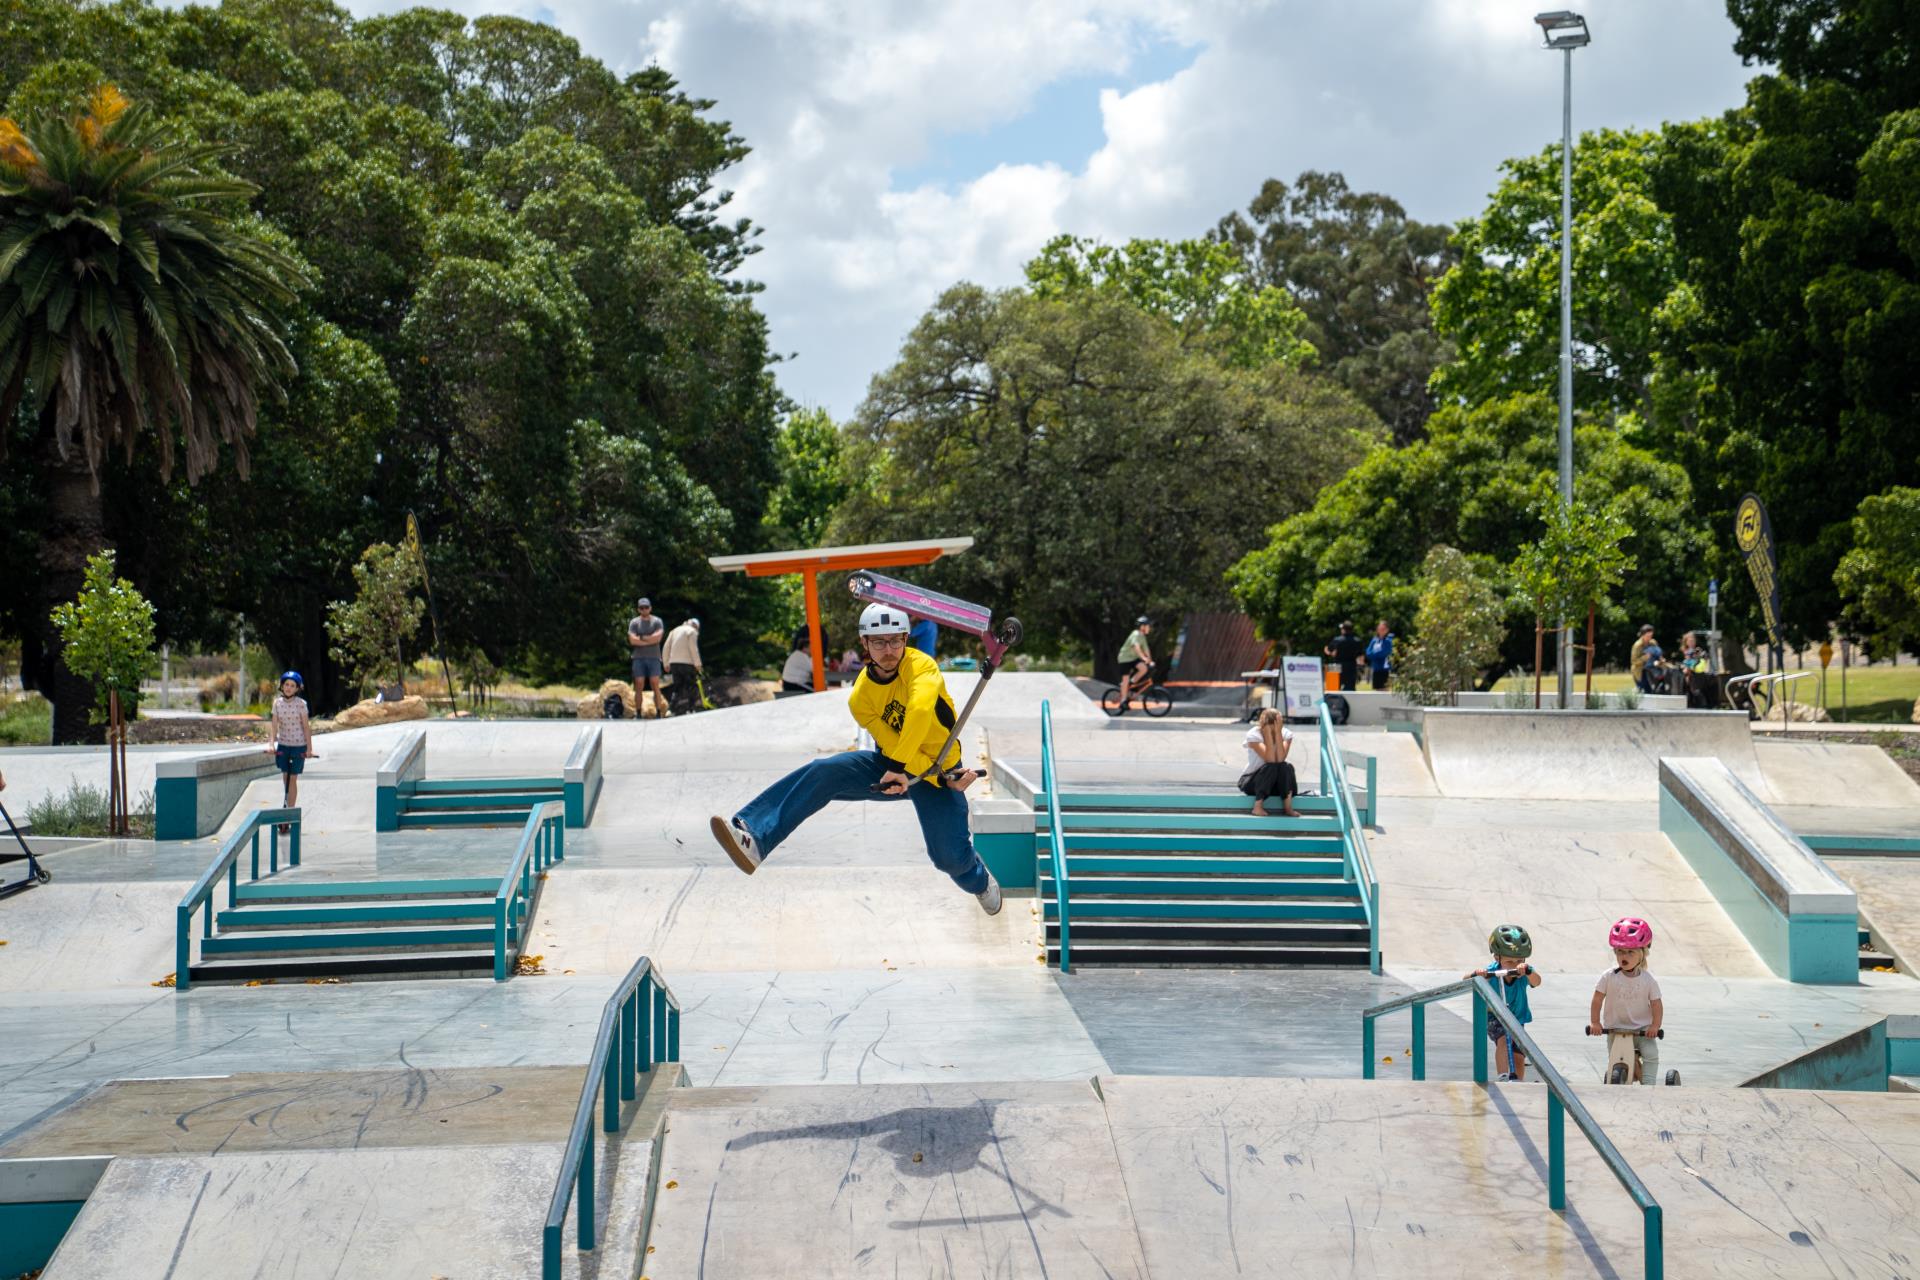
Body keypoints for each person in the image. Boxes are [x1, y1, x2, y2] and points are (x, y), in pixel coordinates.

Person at [709, 603, 1001, 915]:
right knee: (824, 772)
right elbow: (892, 743)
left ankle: (979, 880)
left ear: (906, 639)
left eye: (896, 641)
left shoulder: (922, 667)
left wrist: (939, 777)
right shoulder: (860, 697)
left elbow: (918, 712)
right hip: (893, 765)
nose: (889, 650)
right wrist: (900, 770)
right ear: (864, 644)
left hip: (941, 770)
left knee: (948, 858)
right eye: (879, 642)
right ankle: (754, 836)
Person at [1589, 917, 1663, 1085]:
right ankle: (1620, 1075)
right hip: (1615, 1029)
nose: (1625, 956)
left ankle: (1649, 1082)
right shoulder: (1608, 976)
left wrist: (1655, 1026)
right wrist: (1595, 1022)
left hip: (1642, 1030)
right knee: (1615, 1057)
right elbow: (1597, 999)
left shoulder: (1648, 979)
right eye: (1620, 951)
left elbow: (1656, 1004)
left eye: (1631, 952)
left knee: (1650, 1053)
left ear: (1642, 954)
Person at [1466, 924, 1541, 1081]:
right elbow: (1466, 981)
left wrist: (1528, 971)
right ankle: (1503, 1075)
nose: (1515, 965)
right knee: (1503, 1038)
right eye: (1509, 961)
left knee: (1519, 1054)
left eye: (1519, 960)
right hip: (1495, 1016)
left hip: (1517, 1018)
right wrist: (1477, 974)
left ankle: (1518, 1082)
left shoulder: (1523, 971)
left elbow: (1537, 981)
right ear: (1496, 957)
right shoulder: (1490, 971)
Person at [270, 671, 315, 832]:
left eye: (292, 686)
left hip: (298, 745)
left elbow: (306, 727)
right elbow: (274, 725)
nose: (289, 688)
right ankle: (287, 806)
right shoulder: (277, 704)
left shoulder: (301, 704)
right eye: (286, 685)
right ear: (282, 686)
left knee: (293, 779)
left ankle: (289, 811)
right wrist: (271, 744)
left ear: (297, 689)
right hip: (283, 744)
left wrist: (309, 749)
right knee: (285, 777)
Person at [1238, 709, 1298, 818]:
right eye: (1271, 728)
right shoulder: (1253, 735)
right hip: (1252, 782)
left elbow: (1280, 759)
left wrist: (1278, 733)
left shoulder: (1286, 734)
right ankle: (1257, 806)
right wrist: (1268, 735)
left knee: (1286, 766)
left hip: (1275, 785)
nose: (1274, 731)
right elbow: (1269, 759)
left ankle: (1288, 808)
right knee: (1271, 766)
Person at [627, 598, 667, 717]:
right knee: (639, 684)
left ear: (650, 608)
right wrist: (649, 640)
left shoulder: (657, 621)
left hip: (653, 657)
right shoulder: (634, 622)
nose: (644, 610)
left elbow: (658, 638)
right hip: (638, 657)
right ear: (638, 609)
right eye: (642, 608)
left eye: (646, 607)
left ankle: (658, 711)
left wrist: (642, 638)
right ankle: (638, 712)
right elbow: (632, 640)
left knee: (655, 683)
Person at [664, 617, 703, 715]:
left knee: (677, 687)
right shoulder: (692, 631)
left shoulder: (674, 631)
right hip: (687, 663)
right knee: (691, 686)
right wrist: (698, 664)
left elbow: (666, 647)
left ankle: (670, 710)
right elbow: (693, 648)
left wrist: (666, 663)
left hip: (674, 663)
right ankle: (690, 709)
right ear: (696, 626)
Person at [1116, 616, 1153, 706]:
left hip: (1133, 658)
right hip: (1124, 658)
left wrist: (1150, 660)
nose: (1149, 628)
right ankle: (1123, 701)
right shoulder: (1136, 634)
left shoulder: (1143, 637)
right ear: (1142, 627)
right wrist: (1144, 658)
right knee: (1125, 679)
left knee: (1143, 668)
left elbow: (1146, 650)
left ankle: (1131, 683)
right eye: (1148, 626)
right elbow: (1136, 647)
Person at [1324, 621, 1365, 692]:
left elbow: (1328, 650)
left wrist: (1328, 651)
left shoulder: (1337, 640)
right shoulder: (1358, 641)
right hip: (1351, 666)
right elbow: (1360, 655)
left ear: (1343, 629)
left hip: (1337, 666)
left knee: (1334, 689)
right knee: (1350, 690)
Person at [1364, 620, 1394, 691]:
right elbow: (1368, 652)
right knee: (1376, 689)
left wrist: (1374, 654)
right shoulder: (1374, 640)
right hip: (1375, 668)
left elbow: (1384, 653)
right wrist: (1374, 654)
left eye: (1383, 629)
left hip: (1384, 669)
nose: (1381, 631)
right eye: (1379, 629)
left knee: (1384, 689)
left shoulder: (1388, 641)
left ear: (1387, 630)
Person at [1628, 624, 1655, 692]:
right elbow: (1634, 661)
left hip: (1650, 671)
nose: (1650, 638)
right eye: (1648, 636)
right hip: (1639, 672)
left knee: (1651, 691)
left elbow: (1657, 653)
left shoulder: (1653, 643)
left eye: (1651, 636)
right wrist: (1645, 657)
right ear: (1642, 635)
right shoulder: (1637, 645)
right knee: (1645, 691)